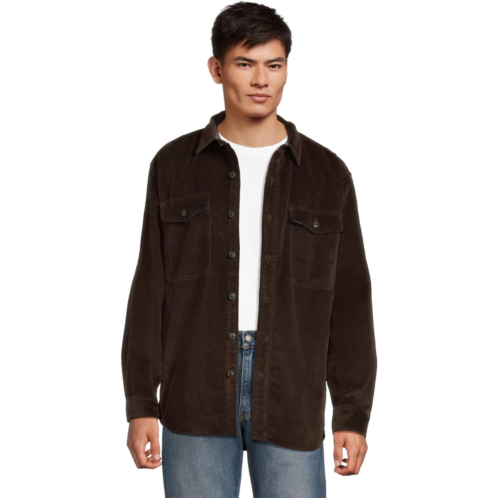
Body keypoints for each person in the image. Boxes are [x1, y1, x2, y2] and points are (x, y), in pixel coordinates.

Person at [121, 2, 378, 496]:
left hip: (291, 394)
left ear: (286, 70)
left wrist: (352, 413)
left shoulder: (328, 175)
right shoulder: (173, 166)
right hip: (194, 391)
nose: (261, 80)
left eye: (273, 65)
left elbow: (350, 304)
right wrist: (140, 404)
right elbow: (149, 291)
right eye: (245, 63)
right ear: (216, 69)